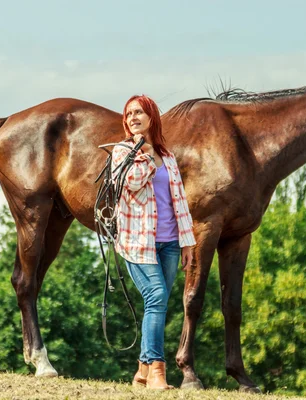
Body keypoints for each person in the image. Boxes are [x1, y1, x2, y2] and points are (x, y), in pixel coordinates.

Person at [111, 94, 196, 390]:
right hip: (138, 242)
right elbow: (132, 182)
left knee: (156, 303)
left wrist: (188, 243)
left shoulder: (169, 156)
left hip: (171, 242)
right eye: (129, 113)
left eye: (139, 112)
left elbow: (179, 201)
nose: (133, 117)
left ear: (151, 117)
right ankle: (157, 371)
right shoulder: (122, 153)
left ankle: (142, 372)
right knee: (157, 297)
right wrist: (144, 153)